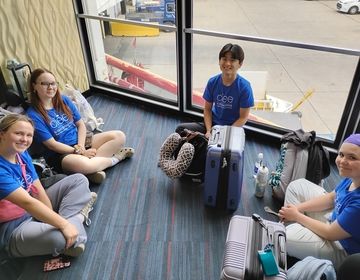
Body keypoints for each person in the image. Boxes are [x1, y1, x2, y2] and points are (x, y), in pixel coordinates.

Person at [0, 114, 96, 258]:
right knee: (59, 237)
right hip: (12, 227)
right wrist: (63, 225)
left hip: (32, 209)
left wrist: (50, 218)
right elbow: (27, 202)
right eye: (18, 133)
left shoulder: (21, 153)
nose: (24, 140)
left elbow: (37, 188)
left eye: (29, 135)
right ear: (2, 134)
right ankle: (79, 217)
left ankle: (71, 228)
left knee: (79, 180)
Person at [27, 68, 134, 184]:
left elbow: (80, 125)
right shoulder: (33, 115)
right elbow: (52, 145)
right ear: (34, 86)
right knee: (83, 164)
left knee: (119, 136)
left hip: (80, 141)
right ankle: (116, 158)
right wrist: (79, 152)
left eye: (53, 83)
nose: (50, 87)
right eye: (45, 84)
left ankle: (92, 170)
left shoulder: (63, 100)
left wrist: (81, 146)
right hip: (62, 154)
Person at [279, 133, 360, 269]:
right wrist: (297, 209)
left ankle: (295, 232)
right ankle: (299, 231)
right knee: (297, 185)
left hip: (343, 249)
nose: (342, 161)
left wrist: (297, 216)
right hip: (334, 222)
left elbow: (330, 233)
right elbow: (331, 198)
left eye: (352, 157)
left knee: (285, 237)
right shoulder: (352, 177)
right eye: (341, 155)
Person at [176, 43, 254, 138]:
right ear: (219, 61)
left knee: (215, 149)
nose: (227, 63)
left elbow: (243, 118)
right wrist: (209, 131)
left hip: (231, 129)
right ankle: (203, 142)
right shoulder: (213, 82)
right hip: (212, 126)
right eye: (224, 59)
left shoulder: (244, 87)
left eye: (232, 60)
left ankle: (203, 144)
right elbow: (208, 109)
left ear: (240, 64)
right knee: (180, 129)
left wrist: (225, 134)